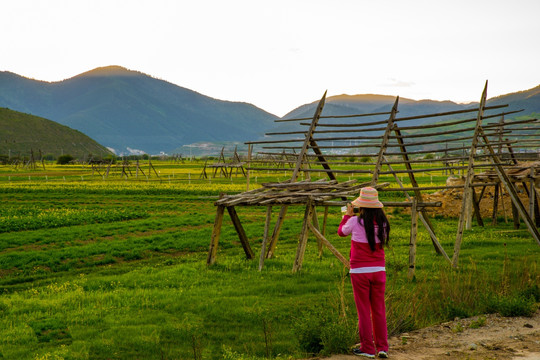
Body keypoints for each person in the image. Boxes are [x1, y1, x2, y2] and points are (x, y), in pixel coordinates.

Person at [337, 187, 390, 358]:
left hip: (360, 271)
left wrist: (347, 215)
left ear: (361, 206)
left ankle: (367, 348)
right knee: (379, 310)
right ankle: (382, 347)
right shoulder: (384, 224)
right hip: (379, 270)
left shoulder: (354, 222)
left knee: (363, 311)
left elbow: (341, 232)